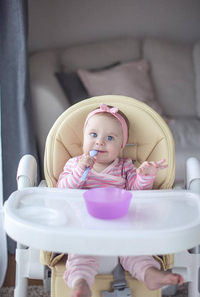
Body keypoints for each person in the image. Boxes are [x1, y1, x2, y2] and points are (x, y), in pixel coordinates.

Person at [57, 103, 183, 297]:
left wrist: (145, 176)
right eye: (93, 135)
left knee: (136, 250)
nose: (99, 142)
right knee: (80, 253)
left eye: (109, 138)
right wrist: (80, 170)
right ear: (83, 140)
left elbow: (136, 191)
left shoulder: (125, 166)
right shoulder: (75, 163)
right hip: (84, 224)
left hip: (122, 223)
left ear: (121, 146)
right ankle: (81, 283)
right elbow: (62, 190)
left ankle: (150, 274)